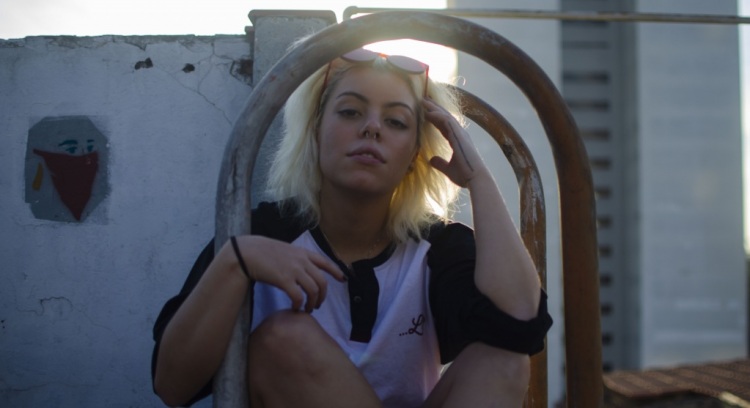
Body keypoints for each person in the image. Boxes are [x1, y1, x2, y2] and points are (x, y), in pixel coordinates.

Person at [151, 47, 552, 407]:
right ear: (315, 130)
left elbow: (522, 328)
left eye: (396, 121)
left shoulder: (438, 247)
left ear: (415, 153)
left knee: (503, 358)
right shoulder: (262, 234)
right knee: (284, 340)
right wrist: (236, 262)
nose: (372, 128)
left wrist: (478, 178)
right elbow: (172, 386)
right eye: (350, 112)